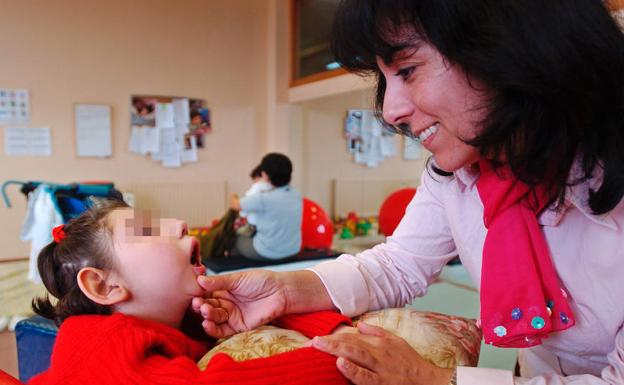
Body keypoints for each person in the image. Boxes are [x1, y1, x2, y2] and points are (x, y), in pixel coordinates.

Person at [191, 1, 624, 385]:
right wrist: (285, 290)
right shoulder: (460, 174)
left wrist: (435, 379)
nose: (391, 110)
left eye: (408, 70)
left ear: (508, 47)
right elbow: (398, 266)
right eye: (386, 79)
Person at [28, 201, 352, 385]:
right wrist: (342, 358)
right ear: (106, 286)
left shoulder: (187, 316)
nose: (181, 223)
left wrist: (334, 329)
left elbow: (268, 314)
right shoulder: (100, 340)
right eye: (147, 230)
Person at [229, 153, 302, 260]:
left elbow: (235, 204)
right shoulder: (296, 194)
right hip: (293, 249)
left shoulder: (263, 198)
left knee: (233, 239)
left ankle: (236, 270)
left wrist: (233, 195)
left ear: (265, 175)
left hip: (267, 252)